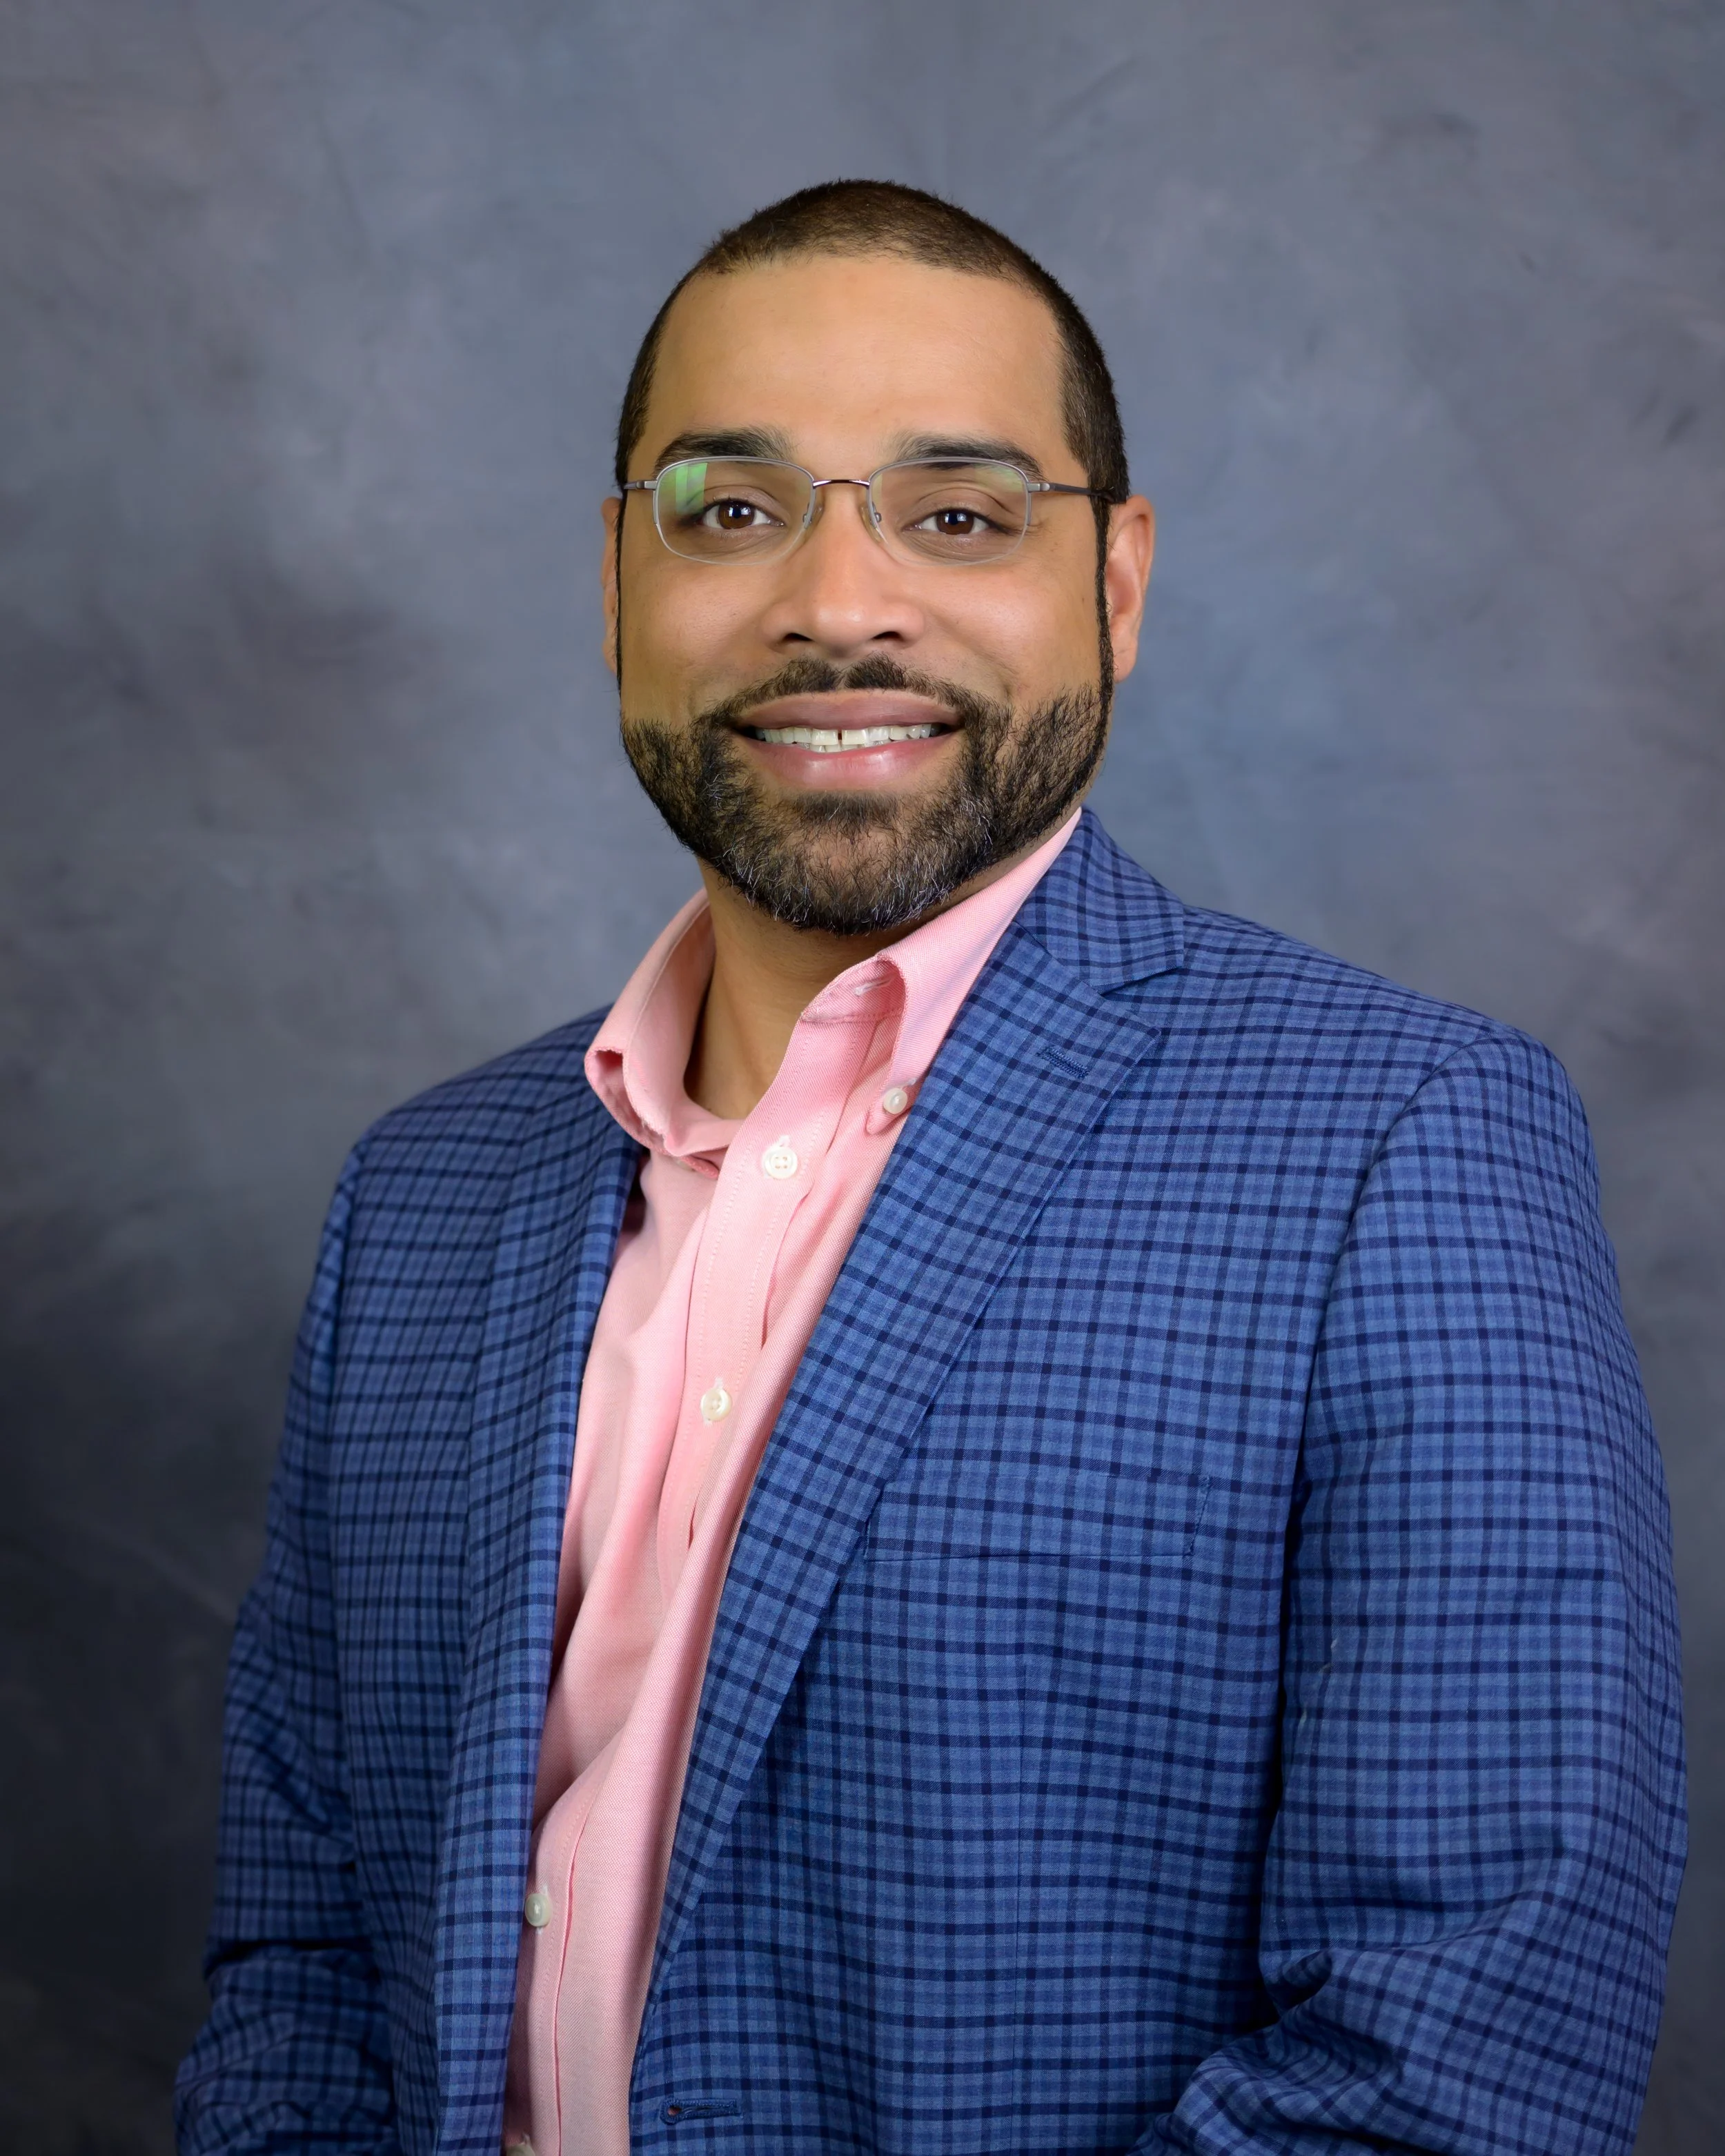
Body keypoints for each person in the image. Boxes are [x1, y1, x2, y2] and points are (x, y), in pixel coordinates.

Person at [175, 181, 1684, 2156]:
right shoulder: (425, 1198)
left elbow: (1462, 2054)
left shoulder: (1399, 1142)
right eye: (730, 508)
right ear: (616, 580)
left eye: (957, 515)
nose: (835, 600)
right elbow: (299, 1962)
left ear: (1117, 585)